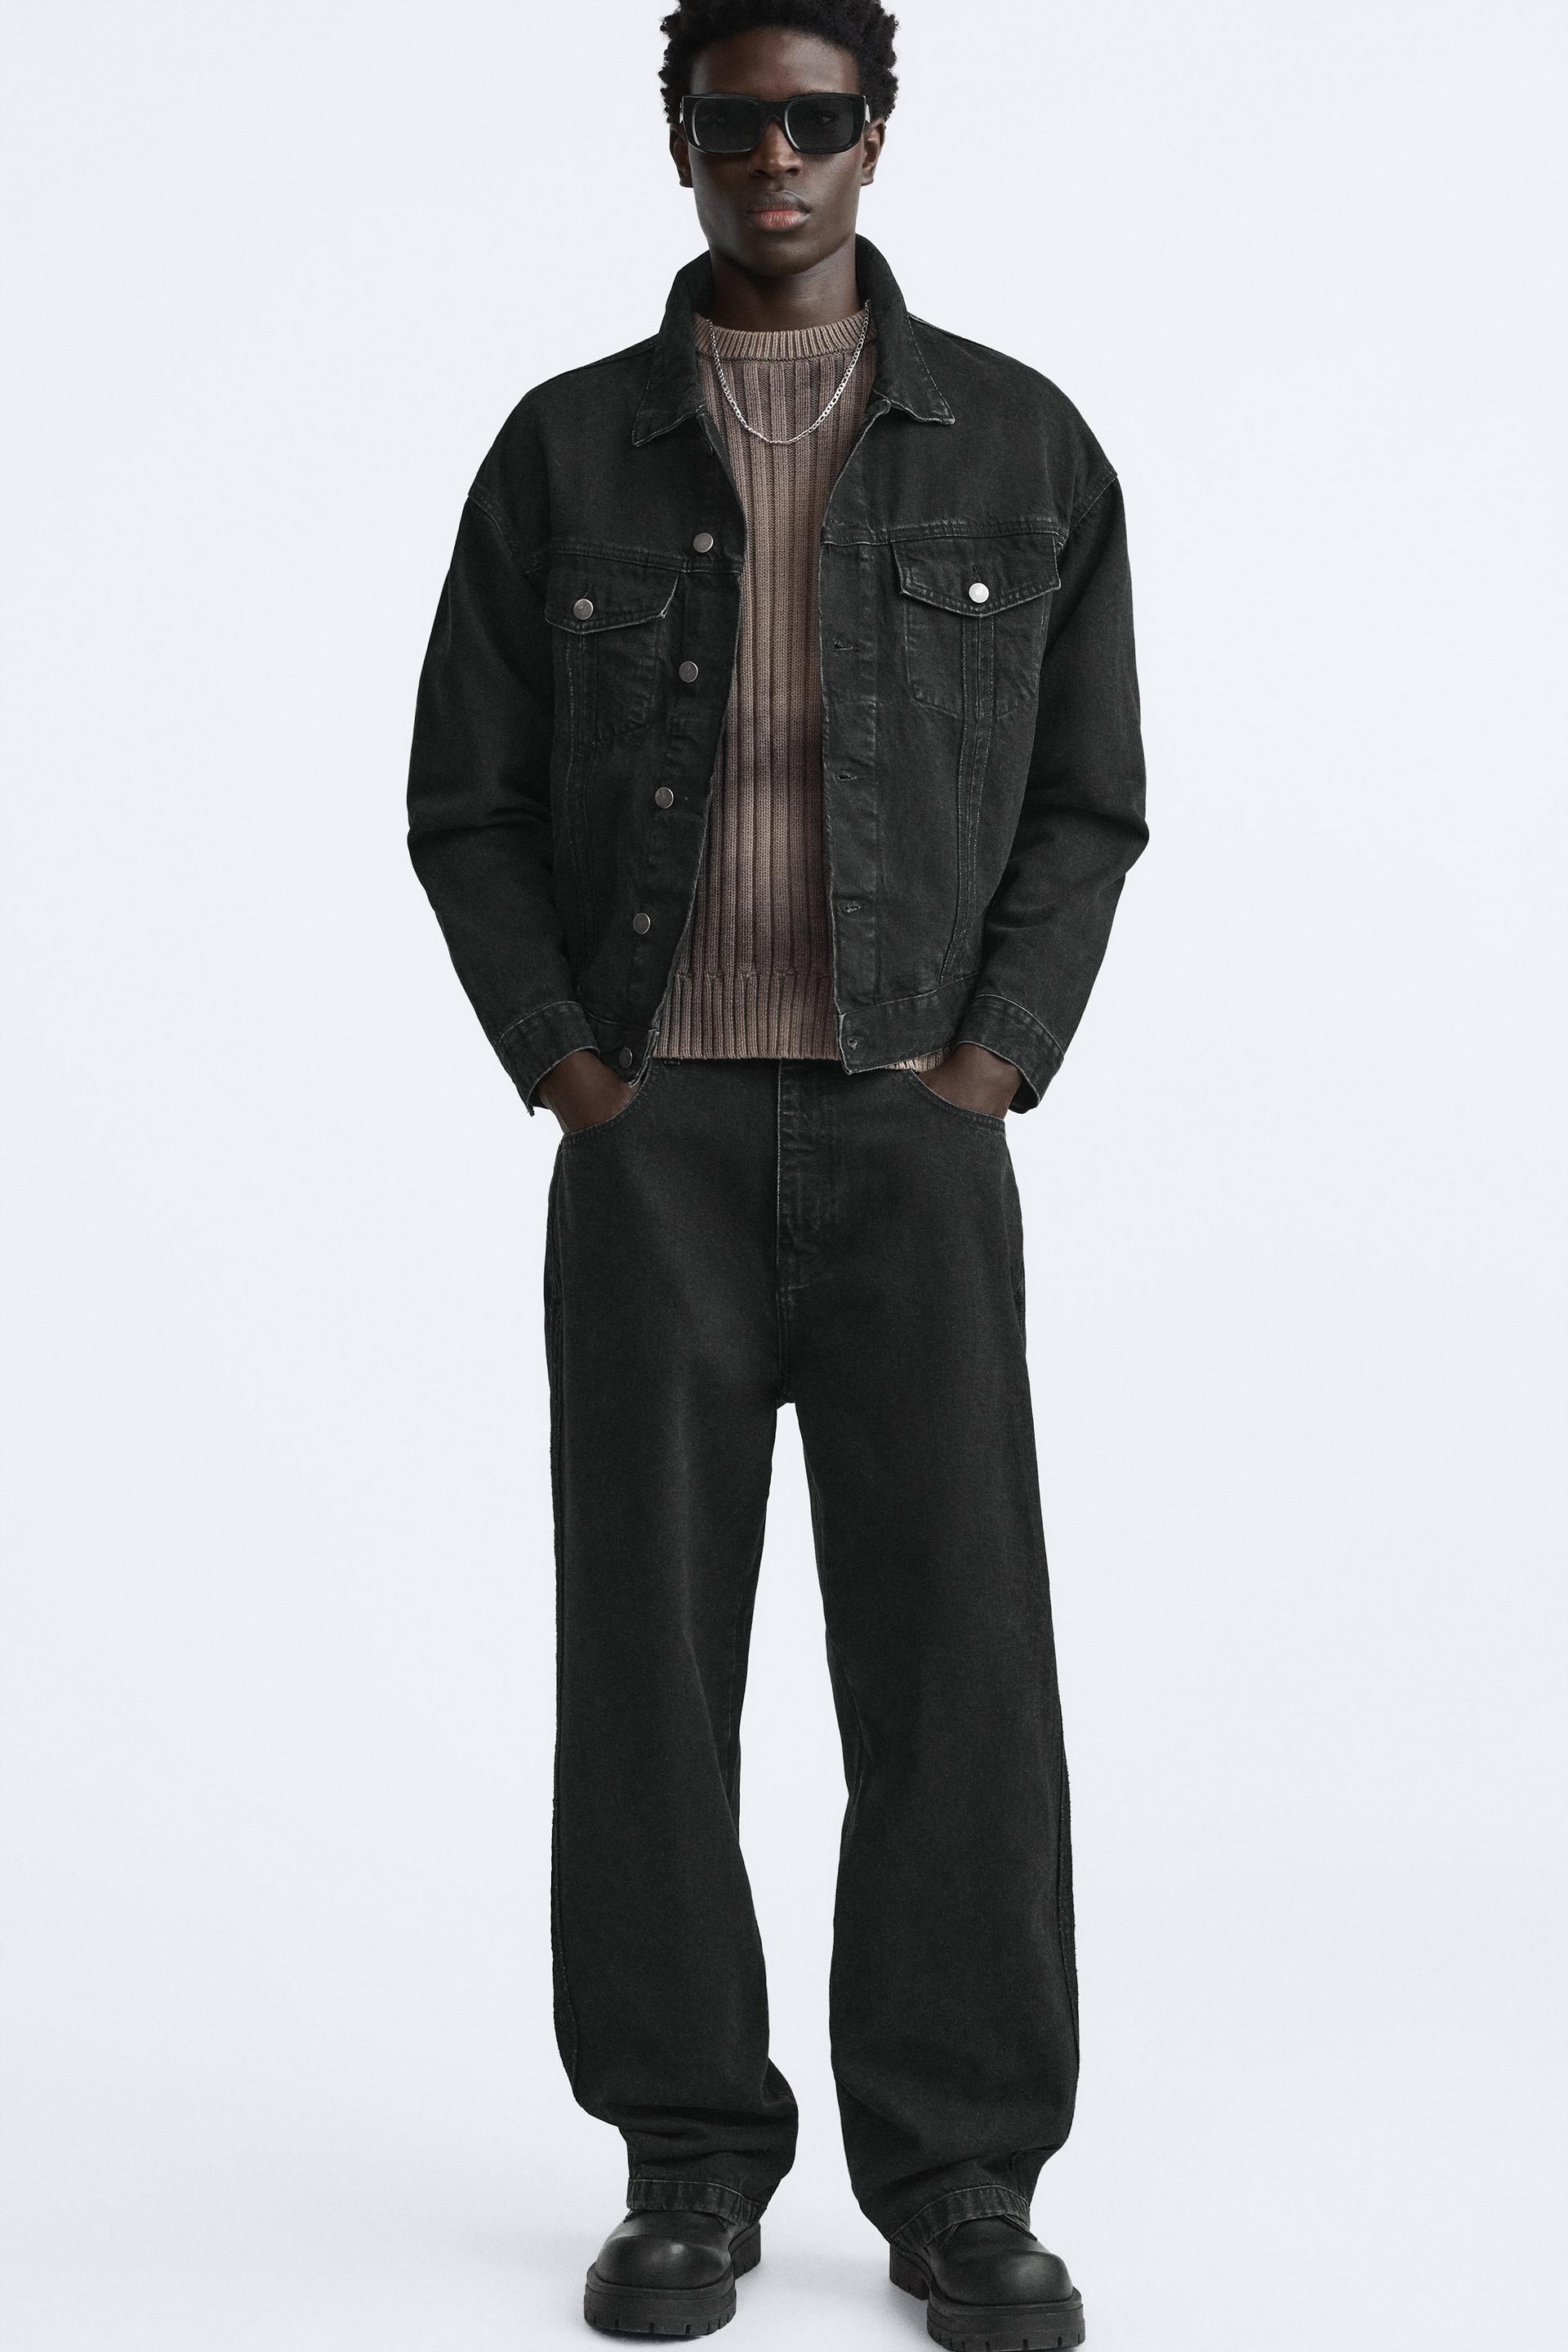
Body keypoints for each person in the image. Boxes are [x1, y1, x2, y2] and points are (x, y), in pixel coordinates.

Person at [406, 3, 1147, 2341]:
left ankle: (962, 2177)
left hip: (918, 1133)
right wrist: (574, 1071)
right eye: (736, 122)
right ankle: (686, 2161)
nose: (779, 157)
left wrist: (990, 1064)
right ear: (681, 141)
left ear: (880, 134)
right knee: (650, 1667)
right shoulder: (564, 453)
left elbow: (1090, 802)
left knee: (957, 1664)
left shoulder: (1021, 443)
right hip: (660, 1146)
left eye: (819, 117)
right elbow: (466, 802)